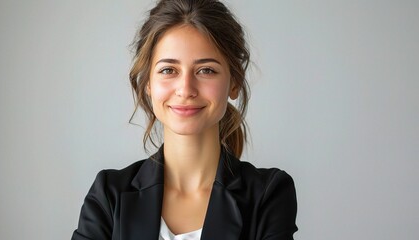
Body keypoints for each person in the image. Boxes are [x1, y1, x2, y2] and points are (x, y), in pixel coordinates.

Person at [71, 0, 297, 239]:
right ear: (148, 83)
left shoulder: (268, 194)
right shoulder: (109, 194)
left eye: (206, 70)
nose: (186, 89)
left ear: (235, 82)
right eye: (168, 70)